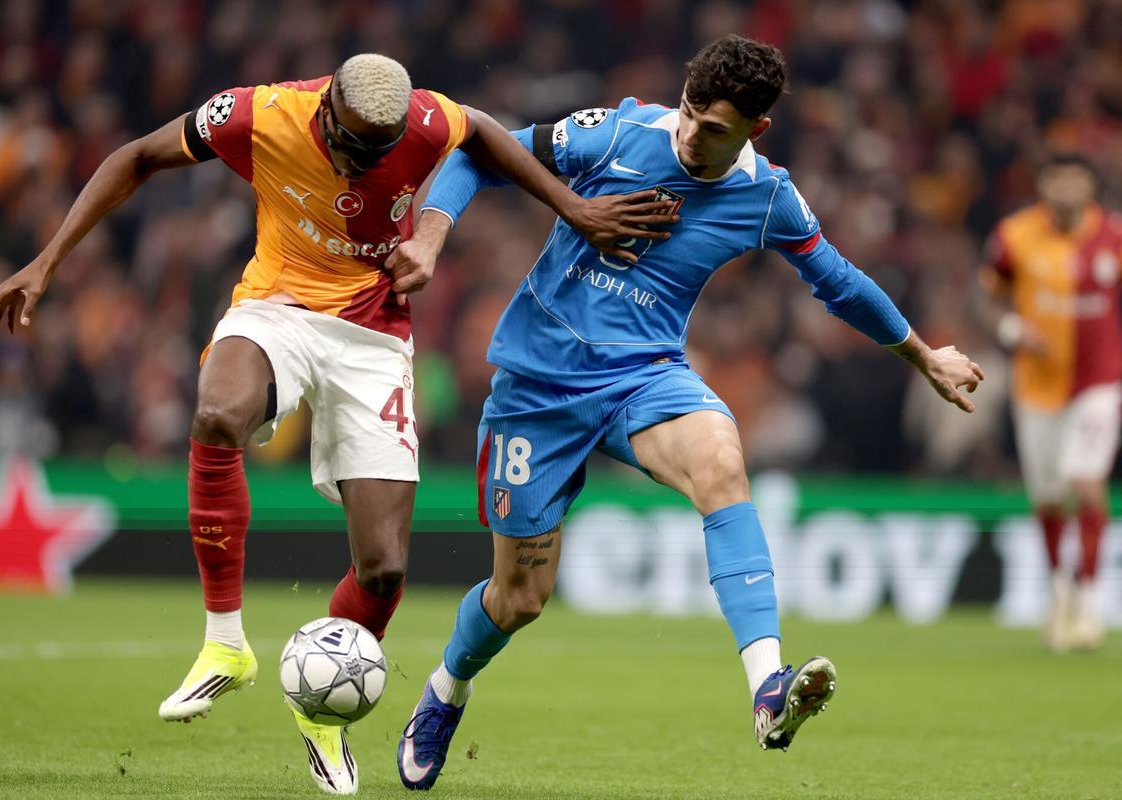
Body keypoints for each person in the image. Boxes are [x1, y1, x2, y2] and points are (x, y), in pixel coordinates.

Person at [0, 53, 673, 795]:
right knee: (216, 413)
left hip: (374, 336)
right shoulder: (257, 115)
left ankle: (322, 716)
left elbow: (487, 135)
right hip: (277, 307)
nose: (360, 163)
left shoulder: (426, 118)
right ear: (328, 109)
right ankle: (224, 643)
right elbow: (136, 156)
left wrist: (568, 208)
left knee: (385, 568)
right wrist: (45, 264)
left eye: (378, 153)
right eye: (351, 145)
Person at [386, 35, 985, 789]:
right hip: (537, 388)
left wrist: (924, 355)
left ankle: (768, 689)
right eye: (692, 113)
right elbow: (479, 149)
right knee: (519, 599)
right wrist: (435, 239)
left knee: (721, 463)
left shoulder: (766, 195)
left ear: (756, 132)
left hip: (646, 378)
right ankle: (446, 690)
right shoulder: (619, 132)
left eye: (714, 128)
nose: (692, 135)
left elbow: (836, 280)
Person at [981, 153, 1122, 652]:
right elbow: (988, 296)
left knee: (1086, 484)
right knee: (1047, 498)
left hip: (1098, 384)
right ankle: (1058, 590)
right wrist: (1013, 329)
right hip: (1037, 388)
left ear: (1089, 185)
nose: (1067, 188)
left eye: (1076, 179)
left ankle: (1088, 601)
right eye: (1057, 178)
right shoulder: (1015, 236)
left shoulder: (1113, 239)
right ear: (1044, 185)